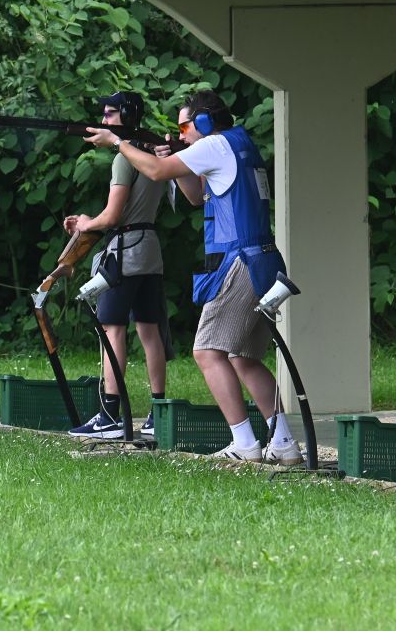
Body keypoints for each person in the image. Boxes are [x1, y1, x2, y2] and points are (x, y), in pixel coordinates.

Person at [82, 90, 302, 464]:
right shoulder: (237, 143)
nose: (181, 135)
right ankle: (283, 442)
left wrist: (119, 143)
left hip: (241, 262)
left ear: (203, 122)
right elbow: (197, 197)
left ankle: (245, 443)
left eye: (184, 127)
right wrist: (173, 157)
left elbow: (155, 172)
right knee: (243, 357)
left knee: (206, 352)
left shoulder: (213, 145)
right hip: (265, 261)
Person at [65, 92, 169, 440]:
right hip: (149, 250)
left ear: (126, 115)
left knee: (113, 329)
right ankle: (158, 411)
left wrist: (85, 223)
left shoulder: (125, 159)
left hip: (125, 252)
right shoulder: (152, 153)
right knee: (149, 331)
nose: (104, 120)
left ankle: (110, 415)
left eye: (110, 114)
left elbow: (112, 217)